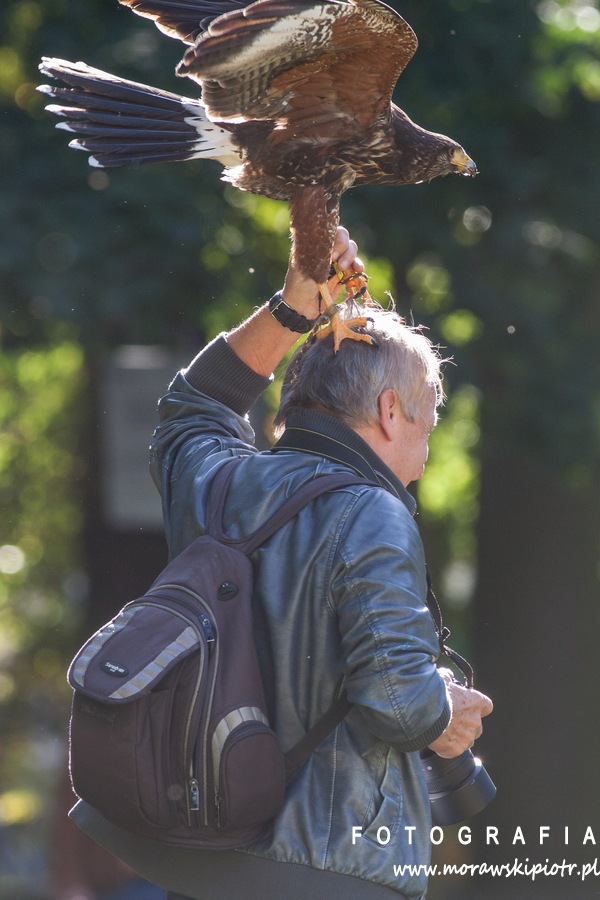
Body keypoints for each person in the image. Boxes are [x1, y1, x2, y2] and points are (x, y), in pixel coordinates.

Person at [71, 227, 492, 900]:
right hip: (324, 871)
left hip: (192, 858)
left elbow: (192, 407)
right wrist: (447, 714)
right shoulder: (374, 512)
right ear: (390, 412)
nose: (423, 460)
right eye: (427, 430)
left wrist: (290, 309)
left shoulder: (216, 482)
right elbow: (399, 706)